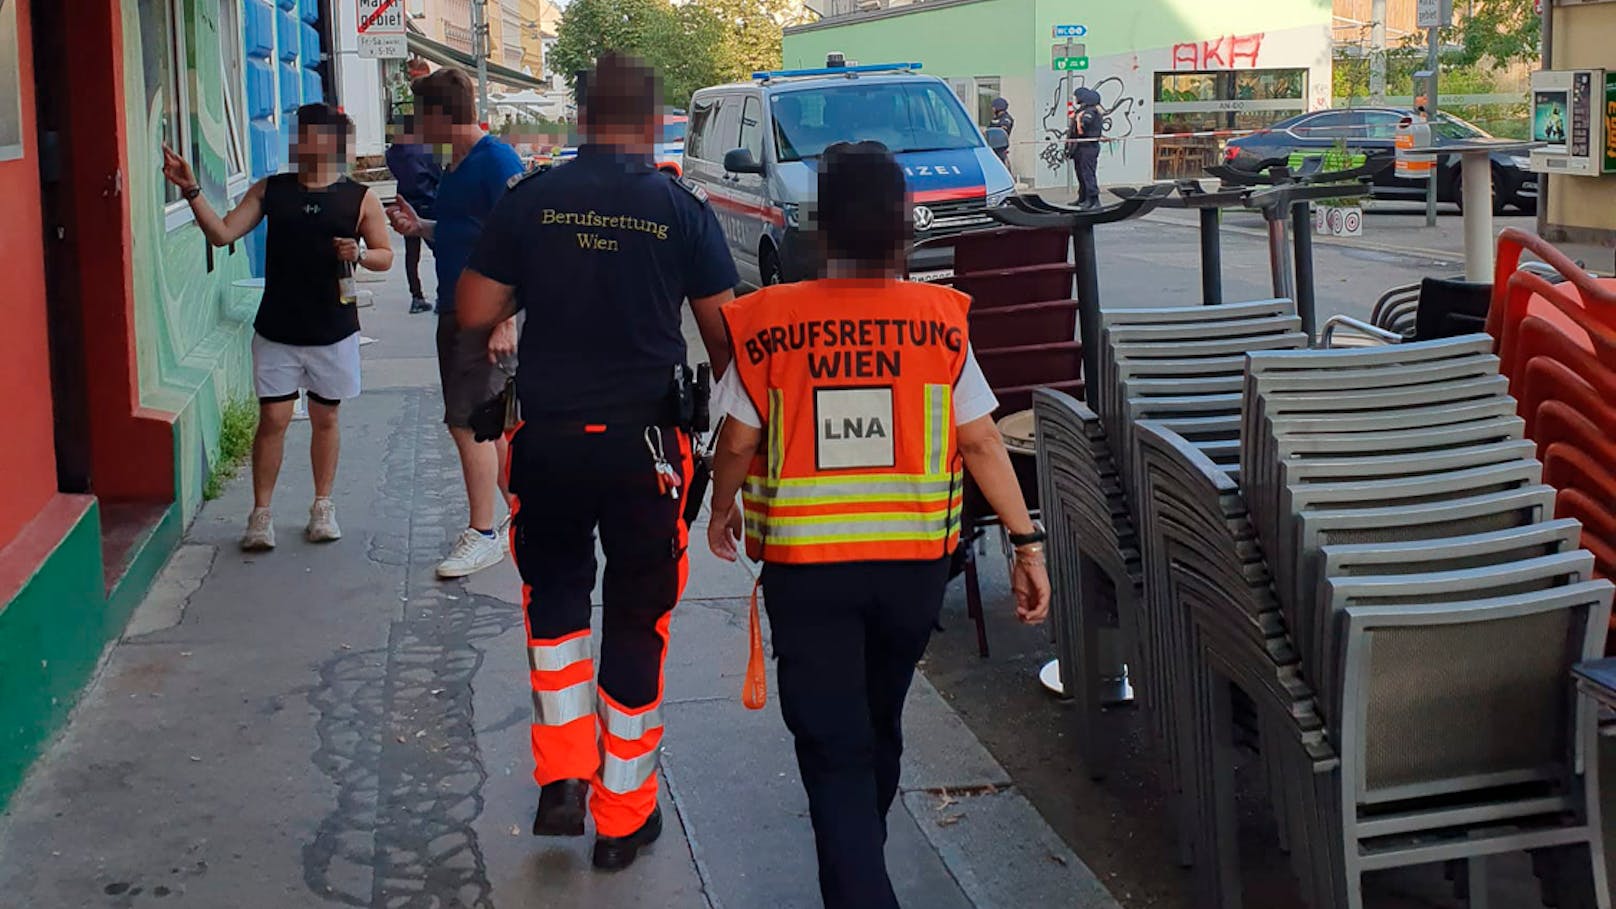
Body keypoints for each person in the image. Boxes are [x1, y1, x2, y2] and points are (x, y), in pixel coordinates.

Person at [706, 140, 1051, 909]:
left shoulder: (766, 322)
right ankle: (863, 850)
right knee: (878, 725)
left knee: (833, 750)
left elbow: (736, 440)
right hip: (910, 573)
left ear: (821, 227)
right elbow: (981, 439)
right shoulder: (938, 322)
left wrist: (720, 506)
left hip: (808, 574)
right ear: (903, 226)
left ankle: (859, 876)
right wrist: (1026, 544)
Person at [454, 51, 737, 871]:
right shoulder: (681, 207)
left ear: (580, 118)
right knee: (640, 617)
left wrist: (530, 286)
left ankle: (562, 776)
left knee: (556, 605)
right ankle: (622, 814)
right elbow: (725, 342)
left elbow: (475, 311)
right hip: (645, 448)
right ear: (653, 123)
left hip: (546, 442)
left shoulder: (534, 198)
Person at [160, 103, 394, 551]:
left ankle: (322, 505)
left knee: (326, 417)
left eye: (308, 134)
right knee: (274, 418)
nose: (299, 142)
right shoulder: (272, 191)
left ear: (330, 143)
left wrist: (359, 254)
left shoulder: (358, 197)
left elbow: (384, 255)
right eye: (298, 133)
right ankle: (261, 513)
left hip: (333, 327)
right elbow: (223, 234)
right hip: (278, 328)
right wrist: (191, 190)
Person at [386, 68, 525, 579]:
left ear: (444, 116)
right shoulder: (456, 164)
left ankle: (483, 534)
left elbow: (523, 241)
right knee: (492, 425)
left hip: (485, 315)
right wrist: (420, 226)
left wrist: (506, 318)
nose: (418, 130)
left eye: (422, 118)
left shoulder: (496, 161)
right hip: (457, 307)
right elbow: (468, 230)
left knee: (466, 423)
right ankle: (519, 515)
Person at [384, 115, 441, 314]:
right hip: (428, 201)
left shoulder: (391, 154)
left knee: (412, 255)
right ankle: (442, 295)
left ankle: (416, 297)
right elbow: (436, 174)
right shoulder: (425, 149)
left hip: (406, 202)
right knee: (439, 250)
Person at [1068, 87, 1104, 209]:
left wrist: (1077, 120)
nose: (1076, 99)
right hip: (1080, 147)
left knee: (1088, 173)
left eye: (1077, 96)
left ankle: (1093, 199)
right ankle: (1082, 197)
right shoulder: (1083, 110)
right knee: (1080, 174)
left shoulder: (1090, 111)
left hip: (1087, 147)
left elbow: (1082, 129)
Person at [989, 96, 1014, 166]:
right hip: (992, 147)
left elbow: (1004, 128)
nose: (992, 109)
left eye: (993, 107)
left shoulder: (1006, 118)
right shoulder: (995, 118)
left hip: (1000, 148)